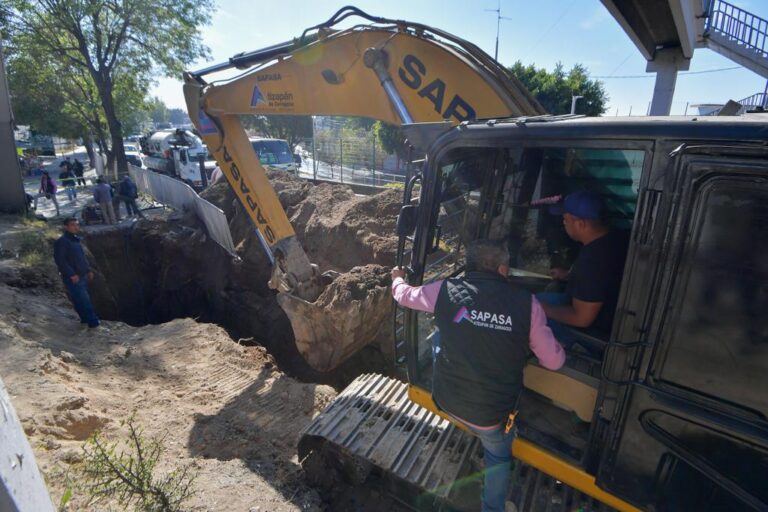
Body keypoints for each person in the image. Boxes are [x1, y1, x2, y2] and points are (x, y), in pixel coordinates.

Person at [391, 239, 565, 512]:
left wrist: (398, 279)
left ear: (468, 267)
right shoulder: (528, 305)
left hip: (446, 398)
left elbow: (404, 296)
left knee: (440, 335)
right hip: (490, 419)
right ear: (504, 270)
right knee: (498, 456)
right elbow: (553, 362)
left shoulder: (445, 291)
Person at [539, 191, 629, 354]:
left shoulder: (593, 260)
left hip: (596, 333)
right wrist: (568, 275)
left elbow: (582, 319)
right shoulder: (614, 238)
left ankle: (561, 356)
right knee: (537, 299)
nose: (564, 224)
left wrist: (544, 310)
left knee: (532, 312)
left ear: (580, 224)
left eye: (565, 220)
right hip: (612, 314)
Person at [53, 217, 100, 328]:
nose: (76, 227)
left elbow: (82, 258)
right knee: (84, 300)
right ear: (66, 227)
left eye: (77, 225)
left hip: (82, 275)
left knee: (80, 299)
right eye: (72, 225)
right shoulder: (62, 242)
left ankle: (85, 320)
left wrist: (88, 270)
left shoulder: (75, 240)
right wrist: (71, 274)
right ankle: (93, 322)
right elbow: (60, 260)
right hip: (74, 277)